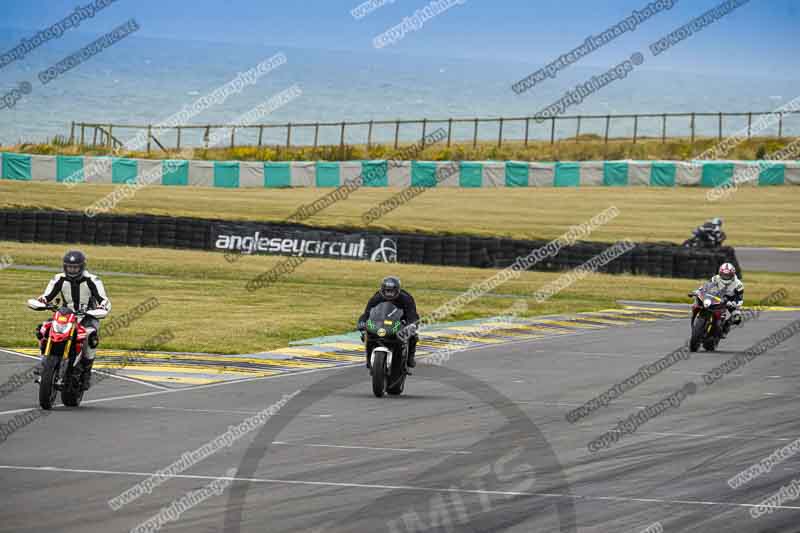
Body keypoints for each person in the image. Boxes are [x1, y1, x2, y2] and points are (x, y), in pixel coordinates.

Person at [34, 250, 111, 390]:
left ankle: (86, 373)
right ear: (65, 266)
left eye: (75, 267)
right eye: (69, 267)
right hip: (66, 315)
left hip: (88, 316)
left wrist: (102, 307)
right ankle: (44, 362)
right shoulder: (59, 278)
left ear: (82, 267)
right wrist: (43, 301)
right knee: (43, 328)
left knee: (90, 336)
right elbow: (47, 295)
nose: (72, 270)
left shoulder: (92, 280)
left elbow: (103, 299)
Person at [358, 276, 419, 369]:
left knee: (413, 335)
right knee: (365, 334)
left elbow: (412, 315)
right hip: (381, 321)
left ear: (398, 290)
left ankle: (410, 358)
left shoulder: (406, 298)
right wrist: (362, 322)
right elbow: (367, 313)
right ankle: (368, 357)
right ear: (382, 290)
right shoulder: (376, 297)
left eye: (392, 291)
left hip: (400, 321)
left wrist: (411, 325)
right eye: (387, 291)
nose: (389, 294)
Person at [691, 262, 743, 338]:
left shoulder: (738, 285)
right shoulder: (715, 278)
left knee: (737, 317)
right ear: (720, 273)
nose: (725, 277)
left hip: (730, 301)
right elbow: (705, 286)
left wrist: (734, 303)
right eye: (724, 275)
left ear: (732, 274)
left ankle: (725, 328)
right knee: (698, 302)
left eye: (728, 275)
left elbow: (740, 299)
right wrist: (698, 290)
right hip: (715, 297)